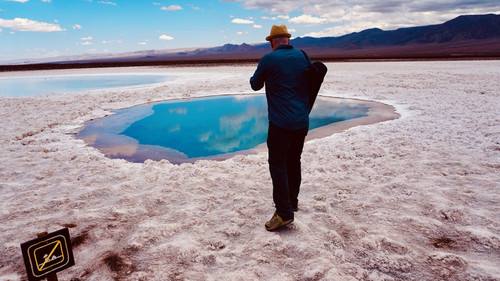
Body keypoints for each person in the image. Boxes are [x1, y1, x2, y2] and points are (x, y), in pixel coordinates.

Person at [250, 25, 310, 231]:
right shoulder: (303, 56)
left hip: (280, 123)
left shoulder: (269, 59)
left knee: (277, 164)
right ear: (287, 39)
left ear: (272, 42)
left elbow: (255, 84)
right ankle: (292, 202)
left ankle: (284, 213)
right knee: (294, 160)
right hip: (301, 122)